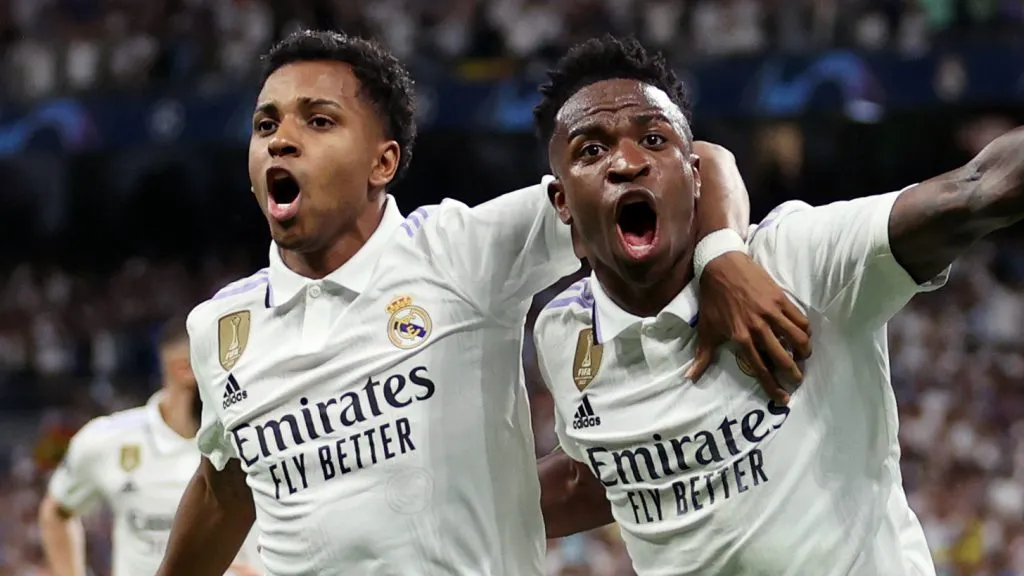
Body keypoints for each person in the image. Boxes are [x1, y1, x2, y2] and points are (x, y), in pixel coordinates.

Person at [156, 30, 809, 576]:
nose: (281, 140)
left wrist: (721, 253)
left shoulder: (461, 250)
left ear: (383, 163)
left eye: (318, 120)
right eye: (266, 124)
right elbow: (226, 484)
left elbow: (696, 163)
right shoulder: (221, 328)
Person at [532, 35, 1024, 575]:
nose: (627, 162)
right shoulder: (563, 332)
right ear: (561, 202)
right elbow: (598, 474)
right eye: (591, 151)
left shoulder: (794, 259)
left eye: (653, 139)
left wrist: (721, 250)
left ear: (695, 175)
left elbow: (974, 190)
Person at [38, 316, 263, 576]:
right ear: (185, 368)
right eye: (232, 364)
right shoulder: (107, 440)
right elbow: (56, 512)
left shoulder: (259, 435)